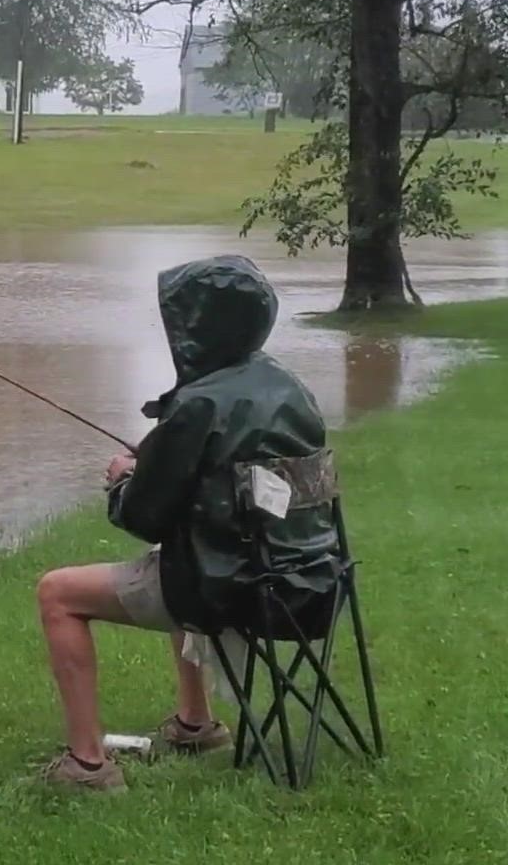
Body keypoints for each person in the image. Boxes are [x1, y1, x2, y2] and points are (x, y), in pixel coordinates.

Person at [36, 255, 337, 791]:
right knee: (185, 554)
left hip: (234, 588)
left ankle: (86, 766)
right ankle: (195, 725)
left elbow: (144, 518)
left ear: (203, 324)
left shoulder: (198, 404)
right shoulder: (288, 385)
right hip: (313, 581)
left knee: (58, 593)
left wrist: (122, 480)